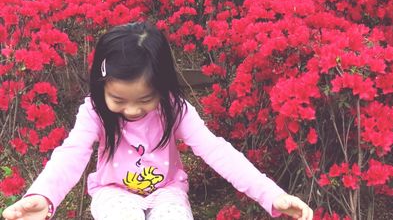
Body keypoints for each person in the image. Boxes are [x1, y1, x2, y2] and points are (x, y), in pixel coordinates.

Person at [2, 22, 313, 220]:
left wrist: (272, 195)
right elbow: (71, 155)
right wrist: (43, 195)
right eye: (119, 100)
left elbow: (219, 152)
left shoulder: (174, 109)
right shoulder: (94, 111)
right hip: (115, 192)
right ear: (102, 86)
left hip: (167, 192)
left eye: (145, 100)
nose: (133, 110)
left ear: (163, 87)